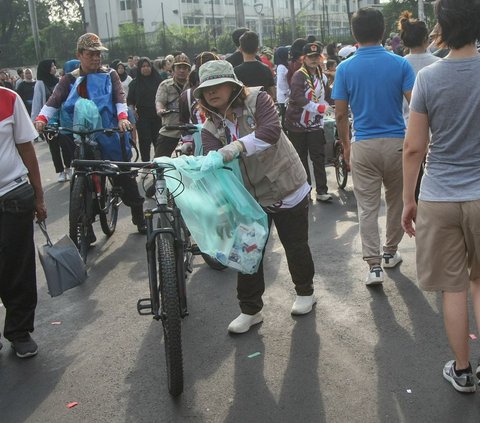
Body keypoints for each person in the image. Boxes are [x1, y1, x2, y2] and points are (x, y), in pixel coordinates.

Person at [195, 60, 316, 333]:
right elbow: (215, 162)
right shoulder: (210, 127)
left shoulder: (259, 100)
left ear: (232, 85)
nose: (211, 93)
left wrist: (236, 146)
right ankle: (250, 310)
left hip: (286, 185)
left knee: (295, 244)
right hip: (248, 198)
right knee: (248, 254)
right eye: (206, 89)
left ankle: (305, 292)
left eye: (217, 86)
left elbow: (270, 132)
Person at [402, 0, 480, 394]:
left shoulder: (429, 78)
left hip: (439, 195)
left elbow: (414, 147)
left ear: (442, 27)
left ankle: (463, 371)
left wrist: (407, 199)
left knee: (454, 288)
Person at [332, 7, 415, 285]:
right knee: (395, 202)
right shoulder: (400, 64)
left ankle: (374, 266)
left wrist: (345, 146)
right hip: (397, 143)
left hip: (364, 144)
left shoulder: (345, 68)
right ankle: (390, 253)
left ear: (354, 33)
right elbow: (416, 106)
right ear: (383, 31)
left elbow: (341, 114)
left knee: (367, 207)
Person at [34, 33, 146, 235]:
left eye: (99, 54)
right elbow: (54, 99)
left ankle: (138, 215)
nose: (96, 58)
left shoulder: (110, 74)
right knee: (80, 176)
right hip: (83, 136)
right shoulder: (70, 78)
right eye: (91, 54)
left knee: (123, 176)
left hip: (109, 132)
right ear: (79, 54)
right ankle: (85, 226)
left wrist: (122, 118)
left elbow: (119, 97)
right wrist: (42, 119)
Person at [0, 86, 47, 357]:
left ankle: (19, 331)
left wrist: (39, 197)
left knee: (17, 266)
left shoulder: (9, 99)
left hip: (14, 194)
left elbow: (26, 148)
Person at [285, 42, 333, 202]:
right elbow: (297, 98)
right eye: (310, 57)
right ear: (303, 59)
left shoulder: (321, 75)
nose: (313, 60)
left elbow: (326, 96)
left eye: (316, 57)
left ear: (320, 58)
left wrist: (327, 106)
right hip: (297, 125)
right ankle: (305, 191)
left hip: (315, 124)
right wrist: (318, 107)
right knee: (300, 158)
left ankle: (321, 191)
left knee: (318, 157)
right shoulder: (299, 75)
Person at [31, 59, 76, 183]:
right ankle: (60, 171)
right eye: (52, 66)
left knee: (66, 145)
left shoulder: (60, 81)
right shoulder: (40, 84)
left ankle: (68, 167)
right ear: (46, 68)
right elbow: (36, 102)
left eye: (55, 66)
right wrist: (35, 121)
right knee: (54, 147)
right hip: (47, 121)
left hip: (62, 118)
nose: (54, 68)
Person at [154, 53, 191, 158]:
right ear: (173, 69)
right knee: (159, 162)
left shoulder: (193, 85)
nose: (182, 70)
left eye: (185, 68)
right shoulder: (165, 85)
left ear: (189, 70)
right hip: (171, 129)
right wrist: (160, 110)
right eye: (179, 67)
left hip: (191, 130)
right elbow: (159, 102)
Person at [127, 57, 163, 161]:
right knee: (144, 140)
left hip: (157, 115)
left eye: (148, 66)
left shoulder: (159, 81)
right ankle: (146, 163)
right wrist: (132, 110)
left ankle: (159, 163)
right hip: (142, 116)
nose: (146, 68)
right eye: (143, 66)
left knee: (158, 140)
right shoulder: (134, 83)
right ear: (139, 68)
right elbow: (130, 100)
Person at [234, 31, 276, 100]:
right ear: (257, 49)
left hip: (244, 108)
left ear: (240, 49)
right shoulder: (266, 69)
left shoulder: (236, 71)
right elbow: (273, 93)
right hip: (263, 107)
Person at [274, 46, 290, 128]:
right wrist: (286, 92)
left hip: (284, 94)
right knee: (284, 116)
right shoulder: (281, 67)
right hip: (283, 95)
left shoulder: (283, 66)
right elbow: (280, 82)